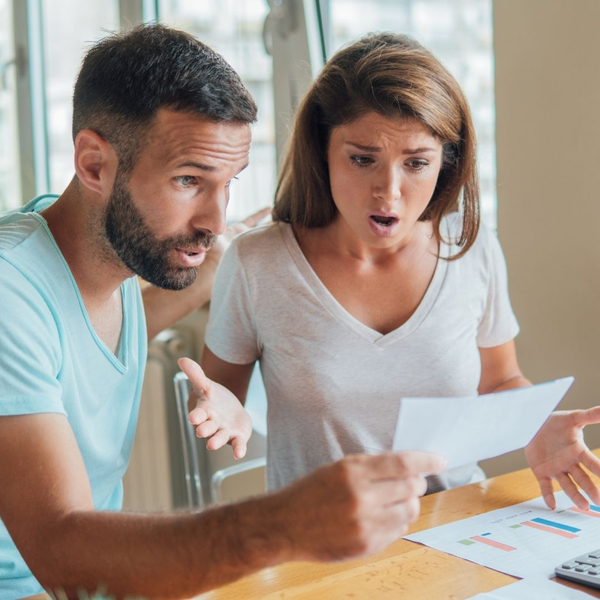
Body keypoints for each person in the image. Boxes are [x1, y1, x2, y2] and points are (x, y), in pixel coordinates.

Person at [0, 25, 447, 600]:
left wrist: (221, 259)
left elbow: (85, 333)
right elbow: (62, 554)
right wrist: (281, 525)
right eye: (189, 180)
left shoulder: (88, 264)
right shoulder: (10, 289)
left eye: (228, 183)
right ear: (93, 164)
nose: (214, 218)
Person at [197, 32, 600, 509]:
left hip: (452, 526)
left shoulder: (472, 248)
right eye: (363, 159)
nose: (387, 191)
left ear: (445, 165)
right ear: (322, 151)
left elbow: (498, 380)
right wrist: (228, 411)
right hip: (315, 539)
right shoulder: (257, 262)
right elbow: (217, 393)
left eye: (416, 163)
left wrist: (535, 421)